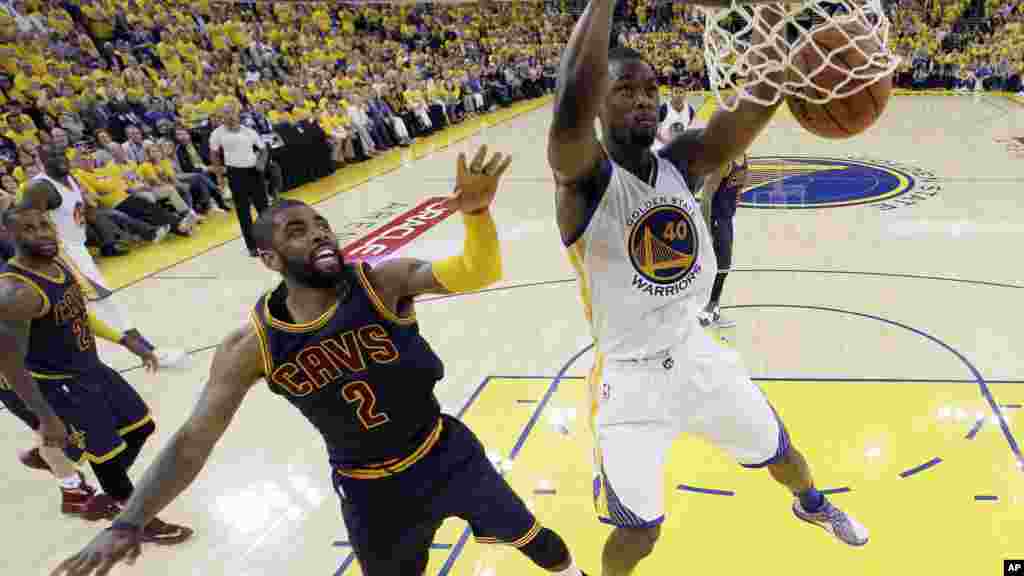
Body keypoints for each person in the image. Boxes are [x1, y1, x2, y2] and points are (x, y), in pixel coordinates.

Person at [50, 146, 589, 576]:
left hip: (446, 453)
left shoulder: (382, 282)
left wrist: (476, 215)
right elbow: (194, 440)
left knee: (538, 542)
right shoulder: (253, 344)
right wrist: (129, 521)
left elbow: (477, 271)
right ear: (270, 259)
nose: (319, 234)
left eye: (321, 224)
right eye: (297, 231)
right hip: (369, 490)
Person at [546, 1, 868, 574]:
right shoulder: (584, 181)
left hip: (697, 355)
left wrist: (777, 25)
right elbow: (569, 100)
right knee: (640, 533)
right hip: (630, 383)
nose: (644, 99)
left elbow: (752, 106)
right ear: (597, 101)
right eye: (624, 90)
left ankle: (813, 505)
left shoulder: (682, 160)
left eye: (651, 89)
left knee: (782, 452)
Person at [0, 206, 192, 543]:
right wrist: (46, 419)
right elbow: (10, 365)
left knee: (140, 426)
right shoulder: (16, 293)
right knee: (106, 456)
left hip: (90, 368)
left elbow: (76, 314)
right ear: (8, 236)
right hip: (59, 385)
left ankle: (71, 463)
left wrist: (128, 341)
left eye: (45, 224)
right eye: (29, 229)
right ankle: (134, 518)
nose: (43, 233)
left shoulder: (57, 264)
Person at [20, 143, 187, 368]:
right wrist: (45, 258)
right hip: (62, 254)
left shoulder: (70, 178)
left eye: (62, 152)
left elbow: (82, 211)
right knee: (106, 304)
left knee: (87, 310)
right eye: (52, 154)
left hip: (78, 249)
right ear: (40, 158)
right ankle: (149, 353)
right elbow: (24, 222)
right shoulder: (40, 188)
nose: (60, 157)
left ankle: (70, 361)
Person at [209, 102, 270, 257]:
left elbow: (263, 149)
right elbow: (214, 155)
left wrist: (261, 164)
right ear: (222, 116)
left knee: (263, 208)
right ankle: (252, 246)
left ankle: (270, 240)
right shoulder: (217, 134)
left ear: (237, 114)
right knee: (243, 212)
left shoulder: (249, 131)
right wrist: (219, 177)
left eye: (231, 112)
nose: (229, 116)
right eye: (225, 113)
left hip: (254, 173)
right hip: (235, 174)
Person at [698, 154, 749, 329]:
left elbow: (736, 190)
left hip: (727, 218)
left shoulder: (744, 158)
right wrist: (706, 229)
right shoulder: (725, 162)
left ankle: (713, 309)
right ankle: (706, 310)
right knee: (719, 267)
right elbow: (706, 196)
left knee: (723, 267)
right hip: (716, 219)